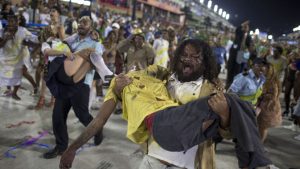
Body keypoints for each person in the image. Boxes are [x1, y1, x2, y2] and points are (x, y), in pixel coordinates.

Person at [59, 39, 272, 169]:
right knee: (236, 105)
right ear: (176, 57)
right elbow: (99, 119)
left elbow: (225, 133)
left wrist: (224, 114)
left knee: (234, 106)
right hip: (154, 159)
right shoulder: (160, 78)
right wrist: (72, 149)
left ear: (205, 62)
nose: (188, 60)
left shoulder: (210, 88)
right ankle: (254, 161)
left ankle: (252, 159)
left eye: (196, 57)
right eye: (184, 55)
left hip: (189, 163)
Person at [42, 16, 113, 159]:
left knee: (83, 116)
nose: (81, 24)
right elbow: (61, 45)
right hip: (64, 82)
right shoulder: (72, 39)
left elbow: (95, 61)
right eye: (80, 22)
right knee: (58, 115)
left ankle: (97, 129)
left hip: (81, 82)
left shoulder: (95, 43)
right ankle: (61, 146)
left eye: (85, 23)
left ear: (91, 27)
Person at [0, 15, 38, 100]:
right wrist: (6, 38)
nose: (10, 23)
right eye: (8, 21)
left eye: (12, 21)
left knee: (21, 73)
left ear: (17, 23)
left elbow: (34, 39)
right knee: (7, 72)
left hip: (21, 55)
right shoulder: (2, 31)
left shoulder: (22, 31)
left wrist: (35, 49)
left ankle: (33, 87)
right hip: (7, 57)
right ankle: (9, 89)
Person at [257, 64, 282, 142]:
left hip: (268, 106)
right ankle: (258, 142)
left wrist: (262, 94)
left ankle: (260, 144)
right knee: (259, 126)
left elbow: (273, 96)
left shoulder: (273, 83)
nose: (263, 71)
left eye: (265, 70)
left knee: (263, 127)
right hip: (262, 104)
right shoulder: (263, 79)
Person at [226, 20, 253, 89]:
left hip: (241, 55)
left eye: (246, 27)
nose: (244, 28)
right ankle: (228, 85)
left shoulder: (249, 37)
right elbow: (238, 28)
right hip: (233, 54)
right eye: (244, 27)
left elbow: (250, 47)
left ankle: (234, 87)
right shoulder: (239, 33)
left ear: (248, 29)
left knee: (238, 72)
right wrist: (243, 24)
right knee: (230, 70)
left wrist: (249, 56)